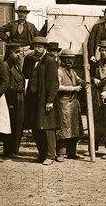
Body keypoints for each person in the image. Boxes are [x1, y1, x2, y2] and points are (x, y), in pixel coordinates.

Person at [24, 36, 61, 165]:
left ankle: (50, 156)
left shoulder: (50, 61)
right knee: (36, 127)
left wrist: (50, 100)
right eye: (35, 47)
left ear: (45, 48)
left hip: (45, 99)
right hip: (33, 99)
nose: (37, 49)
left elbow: (54, 83)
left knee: (47, 128)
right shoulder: (33, 61)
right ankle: (42, 154)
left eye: (40, 47)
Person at [56, 49, 84, 160]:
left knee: (74, 128)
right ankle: (60, 153)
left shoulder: (72, 71)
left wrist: (85, 82)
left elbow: (78, 80)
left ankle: (72, 152)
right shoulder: (59, 71)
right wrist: (72, 88)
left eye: (71, 59)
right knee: (63, 128)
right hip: (63, 102)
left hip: (74, 103)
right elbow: (57, 86)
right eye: (67, 58)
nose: (70, 61)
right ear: (62, 59)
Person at [3, 43, 26, 158]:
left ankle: (15, 149)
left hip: (20, 96)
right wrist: (10, 102)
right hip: (12, 97)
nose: (18, 55)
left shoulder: (16, 65)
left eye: (19, 53)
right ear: (9, 53)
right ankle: (9, 150)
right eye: (15, 53)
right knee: (12, 124)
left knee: (19, 124)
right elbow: (6, 85)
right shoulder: (6, 65)